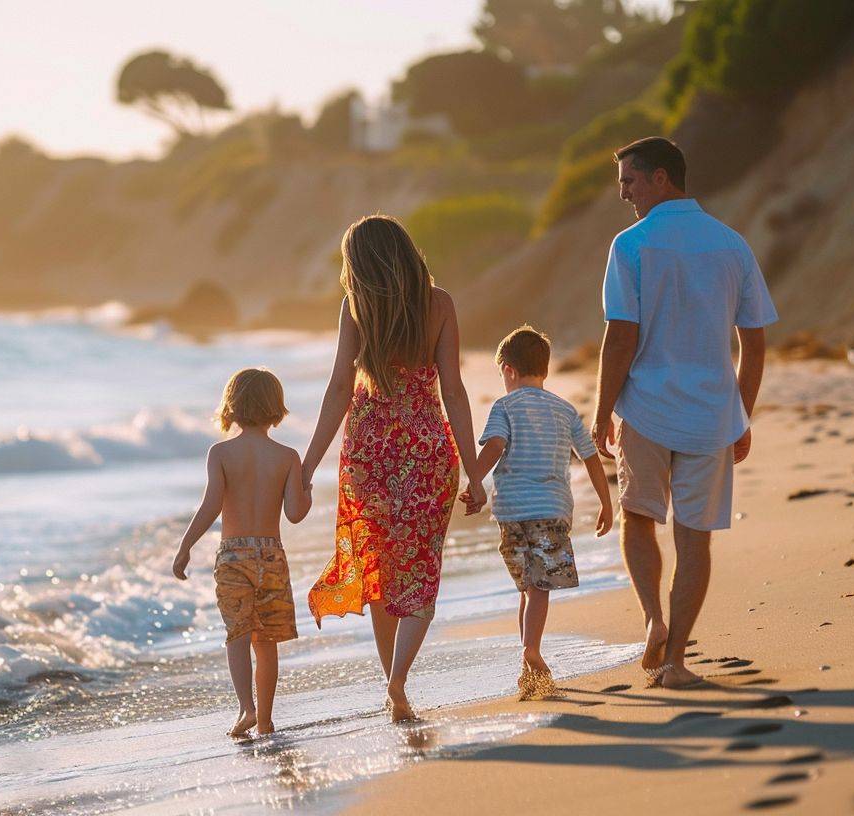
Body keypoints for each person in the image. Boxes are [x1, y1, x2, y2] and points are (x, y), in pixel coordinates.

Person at [589, 137, 777, 690]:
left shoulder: (631, 245)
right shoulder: (731, 244)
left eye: (629, 180)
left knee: (639, 518)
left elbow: (620, 337)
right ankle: (674, 662)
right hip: (711, 416)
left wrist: (601, 414)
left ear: (661, 178)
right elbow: (755, 342)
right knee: (695, 538)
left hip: (646, 409)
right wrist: (741, 413)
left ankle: (653, 618)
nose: (622, 192)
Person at [302, 214, 485, 723]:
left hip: (368, 452)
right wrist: (473, 470)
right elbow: (453, 390)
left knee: (381, 573)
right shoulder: (440, 303)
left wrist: (309, 464)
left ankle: (393, 684)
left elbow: (340, 388)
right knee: (421, 569)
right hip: (427, 450)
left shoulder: (356, 307)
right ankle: (397, 681)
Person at [462, 325, 613, 699]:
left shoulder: (505, 406)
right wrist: (606, 504)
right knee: (538, 586)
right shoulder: (564, 410)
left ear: (509, 371)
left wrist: (474, 482)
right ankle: (531, 650)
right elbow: (591, 459)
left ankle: (527, 666)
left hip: (512, 512)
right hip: (552, 510)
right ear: (543, 368)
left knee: (528, 586)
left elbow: (495, 446)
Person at [171, 368, 311, 736]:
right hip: (272, 556)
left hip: (233, 556)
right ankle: (265, 720)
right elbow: (296, 515)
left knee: (238, 635)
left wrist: (185, 547)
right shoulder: (287, 456)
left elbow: (210, 506)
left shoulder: (220, 453)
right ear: (276, 408)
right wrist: (305, 487)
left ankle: (245, 709)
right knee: (266, 642)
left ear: (231, 406)